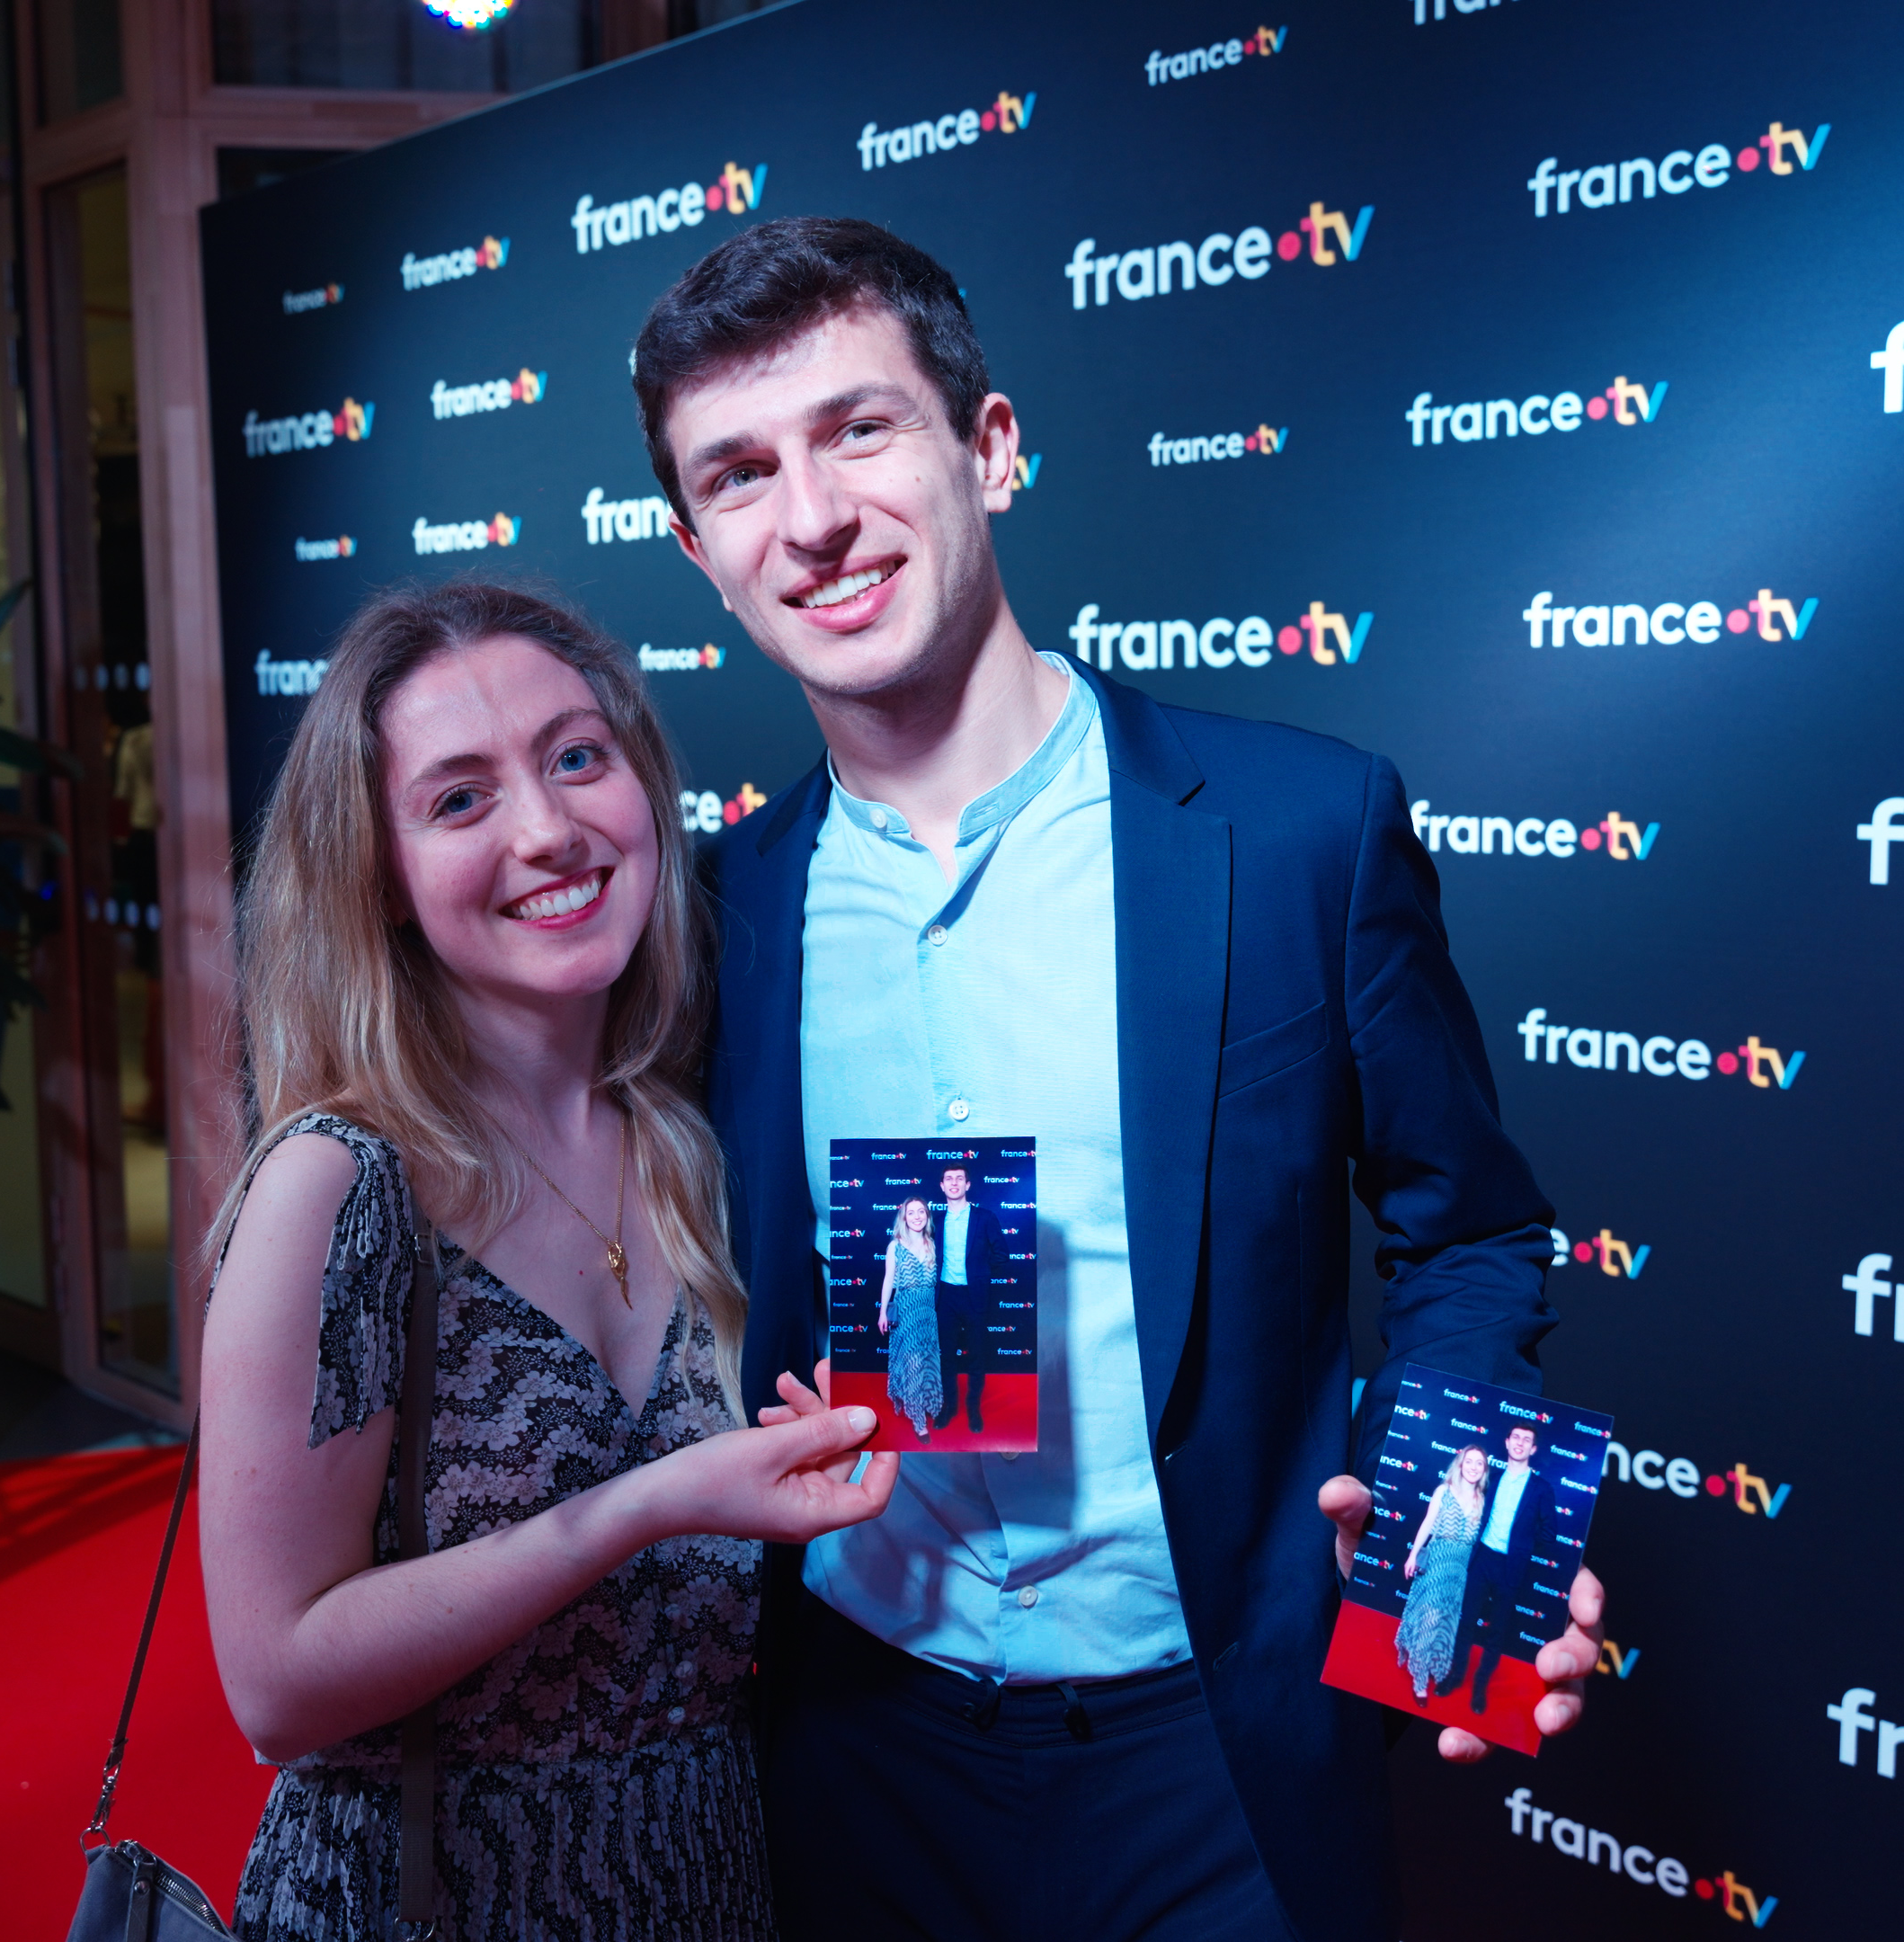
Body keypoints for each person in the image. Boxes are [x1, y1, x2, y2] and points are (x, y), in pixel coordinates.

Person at [637, 217, 1605, 1942]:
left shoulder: (1300, 832)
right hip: (857, 1745)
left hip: (1218, 1758)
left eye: (861, 430)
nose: (814, 517)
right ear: (701, 551)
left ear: (990, 448)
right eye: (741, 474)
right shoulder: (720, 914)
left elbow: (1471, 1232)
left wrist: (1466, 1547)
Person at [195, 583, 899, 1942]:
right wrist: (648, 1505)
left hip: (714, 1884)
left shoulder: (697, 1132)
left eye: (577, 757)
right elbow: (276, 1687)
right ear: (380, 879)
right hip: (431, 1904)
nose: (547, 830)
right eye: (460, 799)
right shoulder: (338, 1185)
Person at [1459, 1423, 1555, 1714]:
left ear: (1533, 1449)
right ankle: (1455, 1676)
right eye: (1516, 1437)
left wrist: (1522, 1545)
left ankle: (1480, 1688)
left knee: (1497, 1631)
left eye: (1527, 1440)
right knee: (1466, 1621)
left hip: (1511, 1565)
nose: (1520, 1443)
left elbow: (1549, 1533)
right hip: (1482, 1558)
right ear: (1507, 1442)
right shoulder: (1493, 1477)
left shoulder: (1541, 1488)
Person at [1394, 1447, 1488, 1703]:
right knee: (1431, 1618)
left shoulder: (1482, 1500)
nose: (1473, 1467)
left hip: (1460, 1570)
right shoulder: (1444, 1491)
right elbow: (1427, 1523)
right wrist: (1413, 1555)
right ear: (1460, 1464)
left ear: (1484, 1470)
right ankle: (1420, 1680)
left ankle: (1436, 1665)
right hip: (1437, 1562)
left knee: (1447, 1620)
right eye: (1469, 1461)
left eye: (1479, 1463)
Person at [928, 1162, 997, 1431]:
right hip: (945, 1297)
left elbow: (1001, 1254)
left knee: (977, 1356)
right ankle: (949, 1407)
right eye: (949, 1178)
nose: (954, 1183)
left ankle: (973, 1410)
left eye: (959, 1178)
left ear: (967, 1185)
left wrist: (979, 1271)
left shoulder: (985, 1218)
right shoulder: (935, 1220)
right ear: (942, 1186)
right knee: (946, 1357)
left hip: (974, 1295)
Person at [874, 1195, 944, 1439]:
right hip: (906, 1312)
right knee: (913, 1364)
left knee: (928, 1361)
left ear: (927, 1216)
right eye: (911, 1212)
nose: (916, 1216)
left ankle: (929, 1403)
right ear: (904, 1217)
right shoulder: (895, 1246)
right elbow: (888, 1281)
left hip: (928, 1313)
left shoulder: (933, 1244)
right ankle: (918, 1420)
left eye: (921, 1211)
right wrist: (882, 1312)